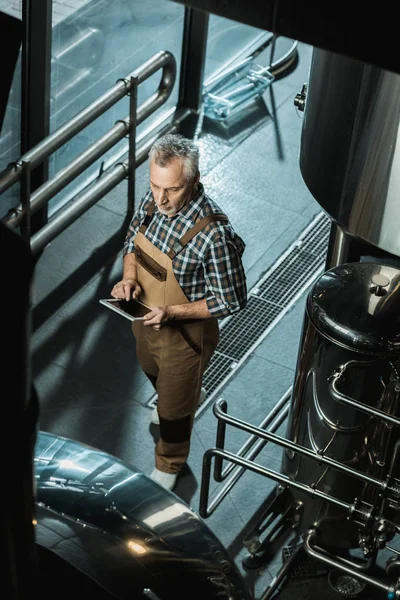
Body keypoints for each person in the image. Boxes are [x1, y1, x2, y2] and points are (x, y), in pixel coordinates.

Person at [111, 133, 247, 491]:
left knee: (172, 411)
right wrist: (128, 279)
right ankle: (184, 392)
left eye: (171, 189)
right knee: (151, 370)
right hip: (145, 320)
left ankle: (169, 463)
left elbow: (230, 300)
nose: (161, 198)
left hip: (184, 335)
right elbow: (131, 240)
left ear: (194, 180)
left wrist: (172, 312)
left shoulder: (213, 235)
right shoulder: (154, 199)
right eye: (155, 186)